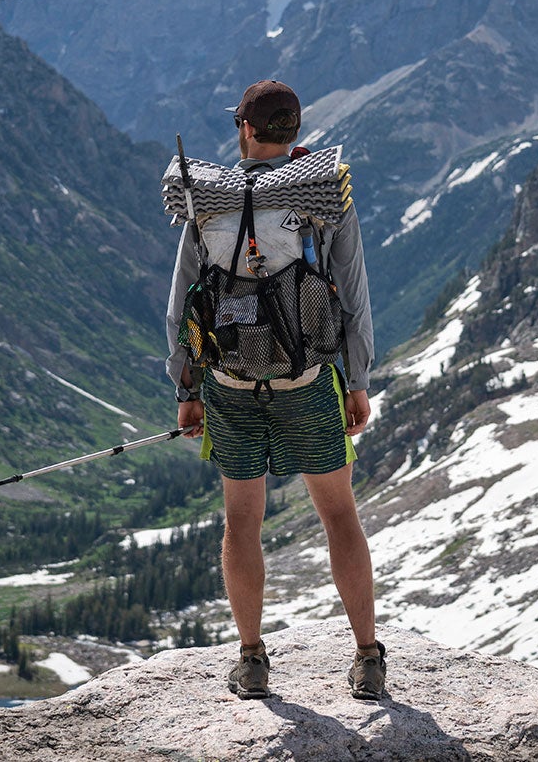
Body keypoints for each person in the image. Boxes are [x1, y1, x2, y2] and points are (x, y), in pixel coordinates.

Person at [165, 78, 384, 701]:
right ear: (296, 132)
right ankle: (367, 656)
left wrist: (187, 384)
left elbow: (183, 299)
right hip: (309, 379)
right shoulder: (321, 194)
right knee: (339, 513)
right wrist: (359, 380)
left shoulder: (204, 198)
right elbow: (354, 294)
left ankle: (253, 658)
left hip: (229, 382)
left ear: (245, 130)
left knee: (242, 521)